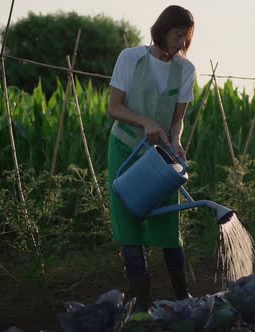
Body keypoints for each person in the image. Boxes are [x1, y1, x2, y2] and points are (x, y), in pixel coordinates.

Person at [107, 5, 196, 313]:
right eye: (177, 34)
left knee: (169, 226)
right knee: (130, 226)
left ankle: (184, 300)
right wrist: (144, 121)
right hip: (126, 150)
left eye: (186, 36)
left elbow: (177, 120)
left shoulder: (186, 69)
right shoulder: (131, 58)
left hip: (161, 157)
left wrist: (177, 141)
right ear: (162, 30)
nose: (182, 42)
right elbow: (114, 108)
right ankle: (142, 306)